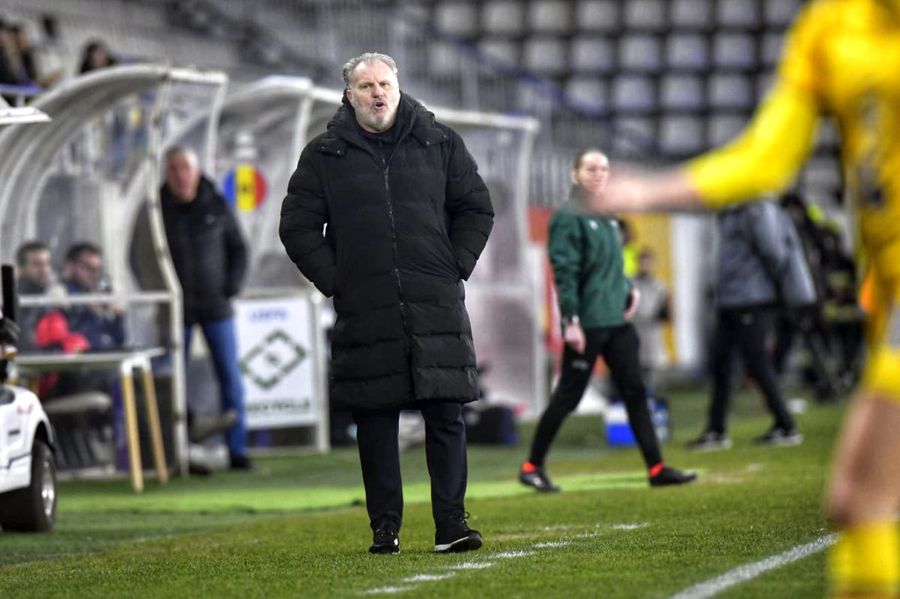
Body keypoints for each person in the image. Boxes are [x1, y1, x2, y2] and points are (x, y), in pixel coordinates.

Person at [591, 1, 900, 595]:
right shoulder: (831, 25)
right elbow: (767, 155)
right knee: (851, 501)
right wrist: (651, 190)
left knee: (864, 498)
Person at [279, 52, 493, 555]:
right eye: (367, 86)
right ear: (349, 95)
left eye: (385, 84)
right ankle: (384, 529)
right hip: (365, 305)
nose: (378, 93)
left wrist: (453, 263)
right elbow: (297, 226)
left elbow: (476, 207)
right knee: (375, 420)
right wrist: (338, 280)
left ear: (398, 87)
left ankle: (452, 525)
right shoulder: (324, 154)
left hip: (435, 299)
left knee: (445, 414)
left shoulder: (438, 141)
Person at [518, 149, 696, 494]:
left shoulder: (609, 216)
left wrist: (628, 290)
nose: (598, 174)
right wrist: (570, 321)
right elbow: (565, 273)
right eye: (590, 168)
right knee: (568, 396)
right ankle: (532, 466)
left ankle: (657, 467)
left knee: (635, 392)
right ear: (575, 175)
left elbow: (610, 266)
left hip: (616, 321)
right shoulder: (567, 218)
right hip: (589, 322)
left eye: (603, 168)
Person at [687, 202, 807, 452]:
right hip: (731, 299)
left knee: (757, 363)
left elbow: (774, 252)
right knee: (721, 364)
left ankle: (786, 425)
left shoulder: (756, 209)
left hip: (752, 299)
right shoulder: (733, 210)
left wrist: (761, 284)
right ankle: (716, 430)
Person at [161, 146, 251, 471]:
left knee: (230, 377)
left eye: (185, 168)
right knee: (172, 379)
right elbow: (140, 254)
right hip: (176, 310)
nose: (180, 175)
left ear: (196, 172)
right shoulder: (157, 210)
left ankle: (237, 451)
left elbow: (239, 249)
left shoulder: (216, 204)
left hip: (216, 305)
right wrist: (160, 291)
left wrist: (231, 287)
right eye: (173, 169)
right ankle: (178, 451)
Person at [630, 247, 671, 387]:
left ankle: (648, 394)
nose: (645, 265)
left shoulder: (659, 285)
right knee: (634, 364)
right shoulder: (631, 283)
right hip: (635, 329)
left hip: (652, 331)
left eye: (648, 262)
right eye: (642, 262)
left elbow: (666, 311)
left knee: (651, 365)